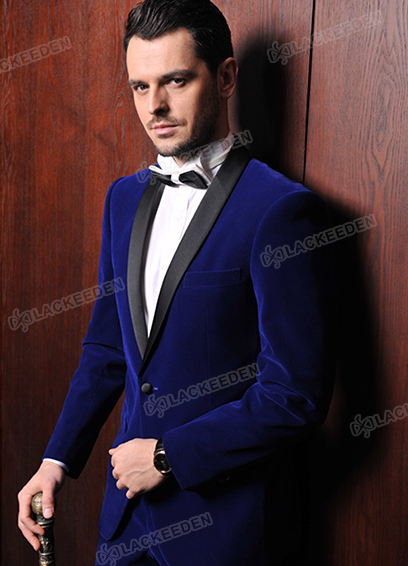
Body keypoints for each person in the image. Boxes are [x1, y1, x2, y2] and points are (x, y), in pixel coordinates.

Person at [18, 1, 337, 564]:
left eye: (176, 81)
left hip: (224, 535)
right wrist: (56, 460)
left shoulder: (280, 211)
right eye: (140, 87)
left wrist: (167, 456)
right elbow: (107, 348)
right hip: (124, 531)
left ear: (227, 77)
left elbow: (296, 395)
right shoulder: (123, 199)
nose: (154, 107)